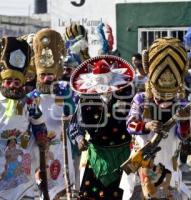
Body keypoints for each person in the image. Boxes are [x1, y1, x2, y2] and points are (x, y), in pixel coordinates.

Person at [120, 38, 191, 199]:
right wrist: (147, 126)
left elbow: (184, 136)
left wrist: (184, 120)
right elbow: (130, 125)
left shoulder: (181, 103)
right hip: (144, 160)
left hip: (168, 160)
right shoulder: (140, 99)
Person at [68, 55, 134, 199]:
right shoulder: (85, 99)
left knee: (120, 194)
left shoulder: (128, 95)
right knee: (90, 196)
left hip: (123, 154)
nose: (105, 89)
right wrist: (79, 139)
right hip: (97, 155)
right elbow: (75, 124)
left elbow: (135, 119)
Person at [0, 37, 47, 200]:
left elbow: (39, 124)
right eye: (8, 81)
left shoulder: (29, 102)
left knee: (24, 193)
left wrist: (41, 138)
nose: (13, 85)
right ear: (3, 82)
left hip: (23, 154)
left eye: (16, 81)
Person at [32, 28, 75, 199]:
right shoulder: (31, 98)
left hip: (61, 148)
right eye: (44, 75)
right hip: (39, 149)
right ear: (38, 75)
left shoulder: (64, 92)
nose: (48, 78)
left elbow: (72, 112)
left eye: (51, 74)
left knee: (63, 191)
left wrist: (67, 107)